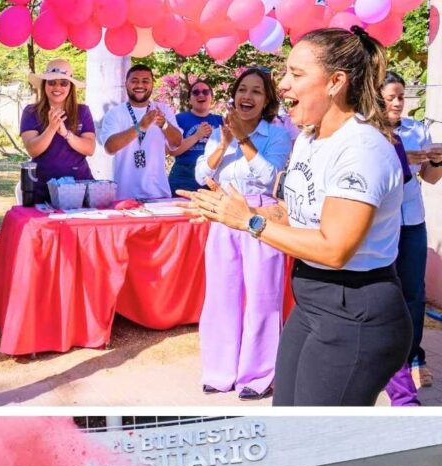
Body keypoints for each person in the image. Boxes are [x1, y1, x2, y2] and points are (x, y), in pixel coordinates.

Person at [180, 28, 412, 407]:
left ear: (336, 82)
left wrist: (250, 223)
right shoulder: (309, 137)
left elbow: (334, 248)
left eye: (296, 74)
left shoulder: (361, 149)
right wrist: (239, 212)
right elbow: (295, 209)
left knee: (317, 436)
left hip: (355, 310)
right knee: (285, 412)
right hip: (312, 301)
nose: (283, 85)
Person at [192, 68, 292, 400]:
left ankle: (259, 375)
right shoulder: (221, 133)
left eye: (256, 92)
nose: (246, 97)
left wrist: (244, 140)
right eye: (242, 90)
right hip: (223, 217)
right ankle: (220, 372)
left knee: (263, 298)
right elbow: (201, 173)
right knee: (221, 296)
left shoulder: (276, 136)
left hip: (260, 216)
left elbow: (270, 178)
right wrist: (223, 143)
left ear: (267, 102)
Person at [382, 71, 442, 393]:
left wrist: (438, 159)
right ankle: (384, 361)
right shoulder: (368, 134)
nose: (396, 102)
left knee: (414, 294)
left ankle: (413, 358)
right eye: (390, 97)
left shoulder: (416, 131)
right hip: (380, 224)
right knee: (383, 292)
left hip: (413, 223)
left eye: (400, 97)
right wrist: (401, 160)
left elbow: (430, 178)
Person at [99, 65, 182, 200]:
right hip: (124, 196)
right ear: (126, 83)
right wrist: (140, 127)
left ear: (152, 84)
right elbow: (109, 148)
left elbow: (177, 143)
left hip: (159, 194)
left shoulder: (163, 109)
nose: (140, 85)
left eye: (145, 81)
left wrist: (165, 124)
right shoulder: (115, 113)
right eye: (134, 81)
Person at [20, 59, 96, 205]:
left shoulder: (83, 111)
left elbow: (90, 148)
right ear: (44, 85)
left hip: (79, 187)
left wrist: (66, 133)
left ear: (70, 87)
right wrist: (52, 128)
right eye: (52, 82)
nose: (57, 87)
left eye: (64, 83)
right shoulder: (31, 112)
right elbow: (33, 150)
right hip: (42, 187)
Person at [168, 79, 222, 196]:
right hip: (183, 177)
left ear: (211, 97)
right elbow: (172, 151)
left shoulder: (220, 121)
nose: (201, 95)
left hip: (212, 177)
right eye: (196, 92)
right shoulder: (178, 119)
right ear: (189, 99)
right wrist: (197, 135)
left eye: (205, 92)